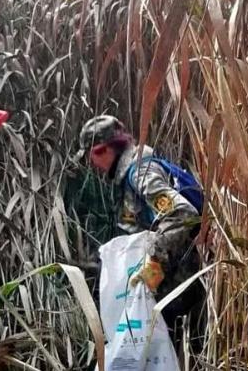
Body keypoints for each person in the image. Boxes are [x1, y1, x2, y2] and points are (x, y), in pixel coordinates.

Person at [75, 115, 204, 330]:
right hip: (168, 291)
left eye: (90, 157)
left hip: (179, 289)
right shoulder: (128, 177)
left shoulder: (141, 174)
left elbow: (182, 213)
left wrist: (153, 265)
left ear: (102, 150)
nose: (91, 165)